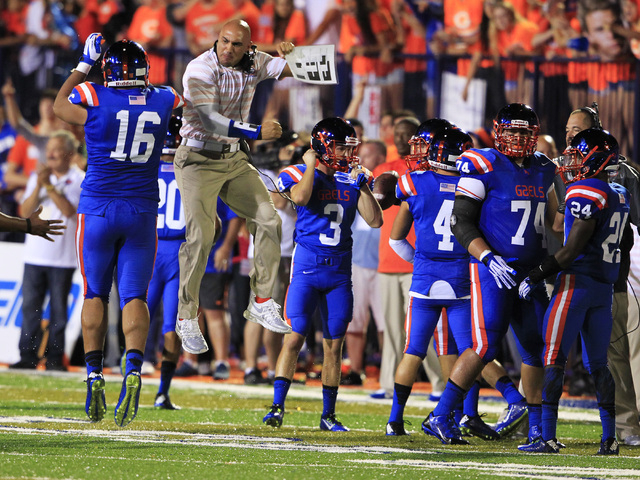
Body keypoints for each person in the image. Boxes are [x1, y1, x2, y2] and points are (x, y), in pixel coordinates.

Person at [53, 33, 184, 426]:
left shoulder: (92, 95)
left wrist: (82, 64)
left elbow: (61, 106)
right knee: (135, 297)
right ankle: (133, 368)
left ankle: (94, 373)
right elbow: (186, 108)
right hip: (142, 210)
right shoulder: (163, 98)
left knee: (95, 292)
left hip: (98, 209)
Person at [422, 103, 558, 445]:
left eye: (525, 132)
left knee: (536, 349)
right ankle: (441, 414)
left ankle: (538, 430)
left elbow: (555, 220)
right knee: (484, 345)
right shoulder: (482, 163)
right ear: (498, 132)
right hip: (493, 270)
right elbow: (460, 221)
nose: (518, 138)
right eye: (512, 131)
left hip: (531, 272)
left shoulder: (543, 167)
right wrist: (487, 258)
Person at [174, 18, 296, 356]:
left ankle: (262, 300)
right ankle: (186, 317)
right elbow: (210, 118)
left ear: (248, 47)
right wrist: (257, 132)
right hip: (197, 159)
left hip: (233, 159)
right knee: (200, 236)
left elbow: (293, 68)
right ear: (217, 39)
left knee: (269, 220)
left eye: (236, 44)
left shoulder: (255, 61)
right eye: (224, 41)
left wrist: (293, 56)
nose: (228, 48)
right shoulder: (199, 68)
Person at [263, 117, 383, 431]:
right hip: (306, 267)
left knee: (334, 344)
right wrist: (310, 166)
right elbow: (299, 198)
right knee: (295, 336)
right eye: (341, 147)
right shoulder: (301, 172)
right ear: (323, 147)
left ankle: (328, 415)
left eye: (349, 147)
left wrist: (365, 189)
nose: (346, 153)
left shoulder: (353, 178)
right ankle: (277, 407)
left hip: (340, 272)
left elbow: (375, 221)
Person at [518, 129, 629, 455]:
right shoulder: (619, 192)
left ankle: (547, 436)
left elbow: (570, 250)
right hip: (603, 289)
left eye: (579, 156)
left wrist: (536, 274)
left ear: (595, 157)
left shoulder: (584, 191)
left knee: (553, 358)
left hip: (574, 286)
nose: (573, 161)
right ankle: (609, 438)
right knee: (599, 364)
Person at [563, 104, 640, 446]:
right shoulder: (575, 172)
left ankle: (626, 425)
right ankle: (529, 416)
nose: (571, 137)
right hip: (591, 274)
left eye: (578, 130)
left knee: (621, 353)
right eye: (568, 131)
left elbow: (625, 233)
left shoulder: (617, 177)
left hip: (608, 274)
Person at [9, 130, 84, 370]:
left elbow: (70, 210)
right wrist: (38, 187)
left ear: (69, 153)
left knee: (59, 312)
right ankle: (27, 356)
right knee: (30, 308)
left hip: (63, 258)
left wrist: (49, 186)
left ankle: (54, 359)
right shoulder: (39, 177)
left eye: (56, 148)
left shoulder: (79, 178)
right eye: (48, 148)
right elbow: (24, 212)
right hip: (34, 255)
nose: (49, 153)